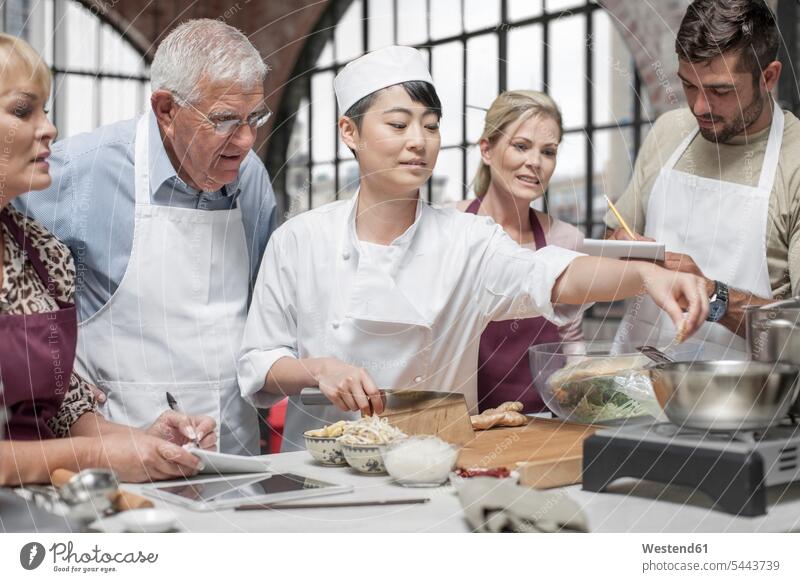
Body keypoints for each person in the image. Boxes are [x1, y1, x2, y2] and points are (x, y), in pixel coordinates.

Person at [237, 46, 709, 452]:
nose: (418, 142)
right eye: (398, 125)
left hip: (433, 467)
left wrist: (646, 274)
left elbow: (551, 274)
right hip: (321, 476)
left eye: (431, 125)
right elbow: (259, 362)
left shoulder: (467, 238)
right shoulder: (298, 241)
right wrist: (317, 368)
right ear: (349, 132)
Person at [16, 19, 278, 455]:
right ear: (166, 110)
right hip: (116, 458)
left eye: (256, 117)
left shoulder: (251, 180)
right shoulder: (78, 173)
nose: (247, 140)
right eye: (226, 120)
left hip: (232, 458)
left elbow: (262, 315)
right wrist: (57, 376)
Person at [0, 33, 213, 486]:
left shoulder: (43, 254)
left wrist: (144, 441)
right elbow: (82, 447)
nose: (49, 129)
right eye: (22, 110)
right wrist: (99, 453)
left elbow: (64, 412)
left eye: (46, 111)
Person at [605, 0, 800, 356]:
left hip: (747, 400)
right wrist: (621, 247)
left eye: (720, 91)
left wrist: (714, 295)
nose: (698, 107)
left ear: (768, 77)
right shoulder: (669, 131)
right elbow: (611, 239)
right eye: (689, 86)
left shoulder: (795, 161)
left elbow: (797, 334)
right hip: (636, 389)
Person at [454, 90, 584, 413]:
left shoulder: (564, 239)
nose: (535, 163)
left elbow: (572, 341)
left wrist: (586, 395)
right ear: (487, 149)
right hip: (462, 422)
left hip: (543, 422)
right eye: (521, 146)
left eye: (548, 151)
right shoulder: (449, 226)